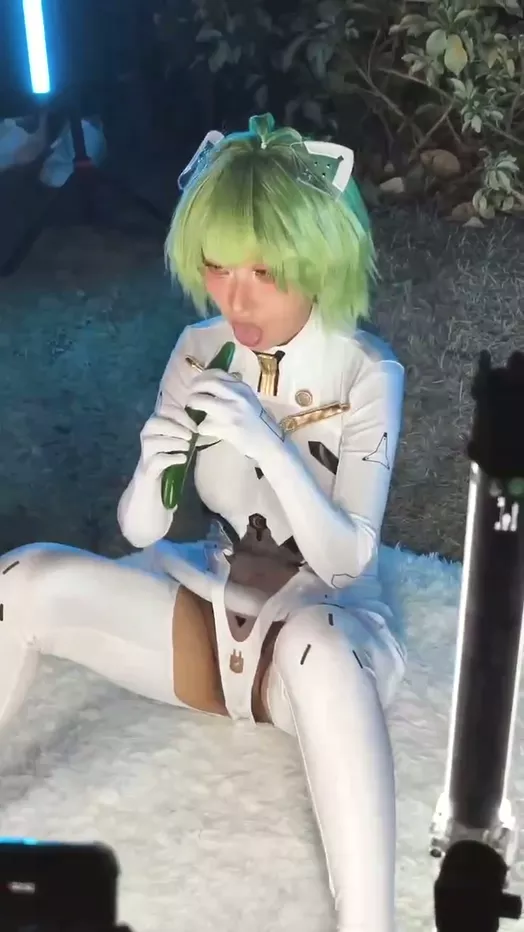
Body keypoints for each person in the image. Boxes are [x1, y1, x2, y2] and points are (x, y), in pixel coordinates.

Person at [0, 113, 406, 932]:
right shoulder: (198, 348)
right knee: (24, 577)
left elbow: (347, 563)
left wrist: (269, 446)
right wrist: (154, 464)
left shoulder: (367, 373)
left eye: (264, 272)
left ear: (319, 261)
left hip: (321, 637)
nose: (236, 297)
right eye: (217, 267)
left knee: (322, 651)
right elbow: (143, 532)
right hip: (213, 621)